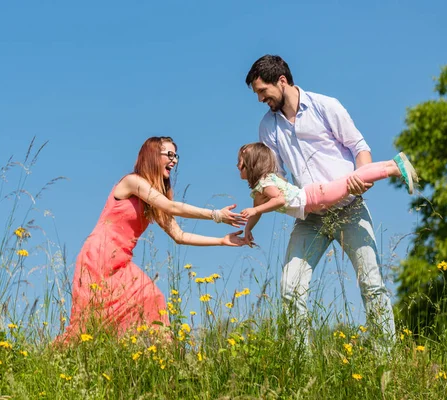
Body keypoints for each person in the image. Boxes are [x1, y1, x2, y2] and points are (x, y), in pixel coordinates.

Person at [244, 54, 397, 346]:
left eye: (263, 91)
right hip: (310, 218)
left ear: (282, 81)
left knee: (371, 284)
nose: (261, 99)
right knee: (291, 288)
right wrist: (261, 210)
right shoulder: (268, 127)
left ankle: (386, 359)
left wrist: (362, 180)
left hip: (350, 209)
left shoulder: (326, 106)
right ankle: (302, 362)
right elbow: (274, 177)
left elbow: (359, 146)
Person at [54, 136, 247, 344]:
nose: (174, 161)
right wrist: (216, 215)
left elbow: (179, 236)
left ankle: (166, 359)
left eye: (176, 156)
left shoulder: (154, 200)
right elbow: (172, 207)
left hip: (122, 261)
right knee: (87, 324)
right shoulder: (132, 182)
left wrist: (221, 240)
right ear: (153, 155)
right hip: (99, 256)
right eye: (169, 155)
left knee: (152, 299)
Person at [236, 142, 418, 235]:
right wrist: (248, 229)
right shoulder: (261, 187)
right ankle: (391, 164)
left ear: (251, 165)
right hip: (315, 196)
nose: (237, 166)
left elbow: (279, 200)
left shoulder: (266, 183)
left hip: (315, 197)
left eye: (240, 163)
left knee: (351, 180)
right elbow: (257, 213)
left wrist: (255, 209)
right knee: (351, 178)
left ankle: (393, 169)